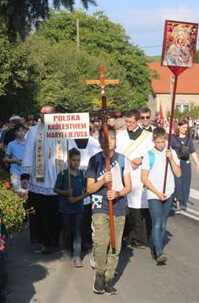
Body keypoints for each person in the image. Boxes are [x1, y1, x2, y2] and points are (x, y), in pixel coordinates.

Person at [87, 126, 132, 295]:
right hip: (100, 205)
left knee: (115, 244)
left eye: (112, 139)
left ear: (115, 141)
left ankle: (108, 277)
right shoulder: (94, 161)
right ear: (100, 142)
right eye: (105, 140)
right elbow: (90, 188)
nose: (109, 142)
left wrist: (118, 193)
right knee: (102, 241)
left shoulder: (122, 160)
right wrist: (102, 181)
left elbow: (129, 186)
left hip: (118, 206)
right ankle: (99, 273)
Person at [21, 105, 67, 254]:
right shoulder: (33, 131)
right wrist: (25, 175)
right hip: (39, 179)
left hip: (57, 176)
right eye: (42, 114)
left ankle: (55, 239)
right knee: (41, 212)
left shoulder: (64, 130)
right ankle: (46, 242)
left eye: (47, 114)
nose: (43, 117)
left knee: (57, 212)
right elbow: (28, 152)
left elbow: (72, 149)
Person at [141, 127, 181, 265]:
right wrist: (157, 193)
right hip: (154, 193)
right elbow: (144, 178)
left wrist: (170, 159)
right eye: (158, 142)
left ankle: (156, 246)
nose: (160, 144)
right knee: (157, 222)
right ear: (153, 141)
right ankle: (159, 251)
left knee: (163, 223)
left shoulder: (171, 153)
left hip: (168, 191)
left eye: (163, 141)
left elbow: (178, 173)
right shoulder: (149, 155)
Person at [116, 110, 153, 249]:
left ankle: (140, 237)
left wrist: (142, 159)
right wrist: (127, 161)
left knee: (140, 206)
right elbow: (117, 154)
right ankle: (127, 235)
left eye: (131, 122)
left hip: (141, 174)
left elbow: (152, 153)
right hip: (125, 173)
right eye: (127, 121)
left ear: (138, 121)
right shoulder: (120, 136)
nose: (129, 124)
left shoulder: (147, 137)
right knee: (126, 206)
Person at [54, 148, 89, 268]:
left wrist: (76, 198)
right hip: (65, 208)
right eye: (73, 160)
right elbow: (55, 189)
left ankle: (77, 256)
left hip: (78, 207)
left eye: (78, 160)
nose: (76, 163)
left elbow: (87, 191)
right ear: (68, 160)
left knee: (78, 232)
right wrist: (65, 193)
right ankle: (65, 248)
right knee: (67, 229)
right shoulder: (63, 174)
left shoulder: (82, 174)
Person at [69, 132, 102, 251]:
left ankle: (88, 240)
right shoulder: (69, 140)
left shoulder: (93, 141)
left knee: (89, 214)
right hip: (74, 179)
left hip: (91, 179)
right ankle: (74, 241)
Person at [171, 120, 199, 213]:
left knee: (186, 185)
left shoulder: (188, 139)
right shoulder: (172, 138)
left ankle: (184, 203)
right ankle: (178, 205)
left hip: (186, 164)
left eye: (186, 127)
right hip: (176, 163)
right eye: (183, 127)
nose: (185, 129)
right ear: (179, 127)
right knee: (178, 184)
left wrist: (198, 164)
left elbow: (192, 151)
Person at [5, 124, 28, 198]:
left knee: (26, 193)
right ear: (15, 133)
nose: (21, 133)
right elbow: (6, 158)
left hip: (27, 171)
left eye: (22, 130)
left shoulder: (29, 143)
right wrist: (15, 161)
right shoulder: (11, 144)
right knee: (17, 192)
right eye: (18, 131)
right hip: (15, 171)